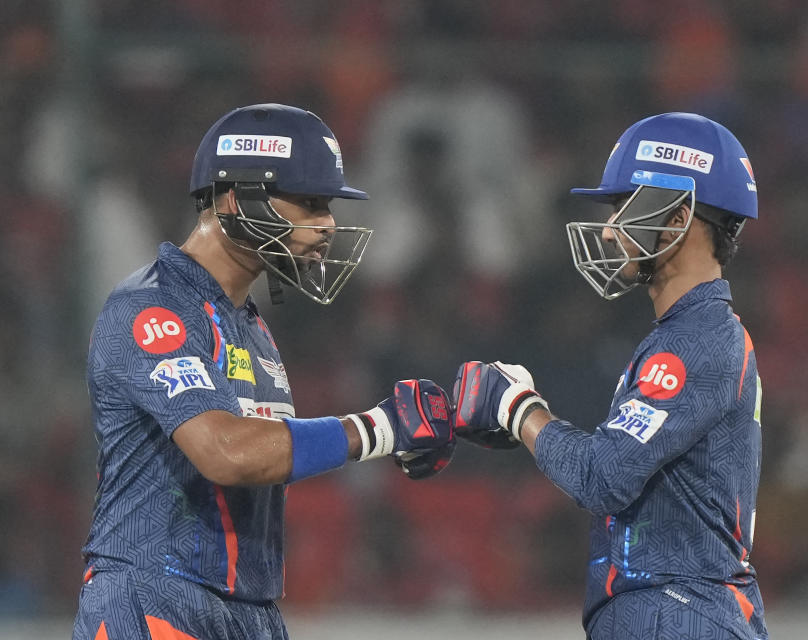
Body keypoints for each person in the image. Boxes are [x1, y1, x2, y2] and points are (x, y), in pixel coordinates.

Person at [73, 103, 455, 640]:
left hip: (248, 610)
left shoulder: (253, 330)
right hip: (155, 596)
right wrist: (381, 429)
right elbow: (225, 453)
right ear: (235, 198)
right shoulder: (150, 309)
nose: (327, 224)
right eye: (308, 202)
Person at [453, 113, 768, 639]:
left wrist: (517, 408)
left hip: (675, 612)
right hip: (684, 609)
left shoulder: (693, 342)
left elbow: (603, 476)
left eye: (626, 207)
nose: (608, 228)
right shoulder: (694, 333)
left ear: (676, 218)